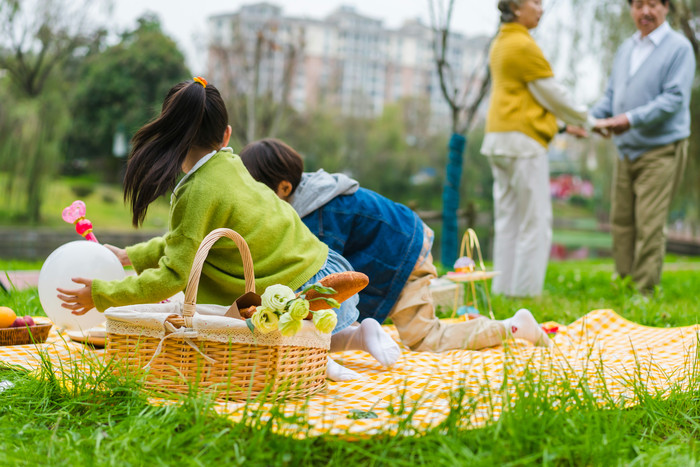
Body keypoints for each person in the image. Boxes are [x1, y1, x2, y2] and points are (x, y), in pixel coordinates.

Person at [55, 78, 399, 381]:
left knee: (253, 334)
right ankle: (358, 335)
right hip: (320, 267)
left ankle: (316, 361)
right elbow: (186, 241)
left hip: (299, 289)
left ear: (169, 135)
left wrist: (102, 294)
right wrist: (130, 256)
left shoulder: (198, 190)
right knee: (274, 325)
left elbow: (174, 273)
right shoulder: (228, 165)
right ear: (226, 135)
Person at [239, 138, 552, 355]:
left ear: (282, 187)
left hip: (405, 254)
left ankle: (512, 327)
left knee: (426, 339)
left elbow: (321, 279)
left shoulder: (319, 212)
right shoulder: (313, 196)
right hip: (401, 245)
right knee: (415, 335)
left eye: (259, 193)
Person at [482, 0, 598, 297]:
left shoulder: (500, 43)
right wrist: (590, 120)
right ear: (517, 8)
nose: (541, 8)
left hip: (498, 138)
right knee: (535, 222)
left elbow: (524, 98)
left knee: (508, 220)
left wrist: (561, 127)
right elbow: (553, 95)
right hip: (523, 143)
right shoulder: (524, 45)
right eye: (535, 2)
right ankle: (525, 294)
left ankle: (502, 289)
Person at [591, 0, 695, 294]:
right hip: (626, 150)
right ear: (631, 9)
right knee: (622, 221)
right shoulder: (626, 48)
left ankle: (644, 292)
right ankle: (624, 282)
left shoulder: (679, 48)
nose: (645, 11)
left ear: (666, 7)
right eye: (638, 4)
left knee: (649, 223)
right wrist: (588, 120)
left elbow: (674, 98)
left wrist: (631, 119)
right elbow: (611, 97)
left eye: (652, 4)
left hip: (660, 149)